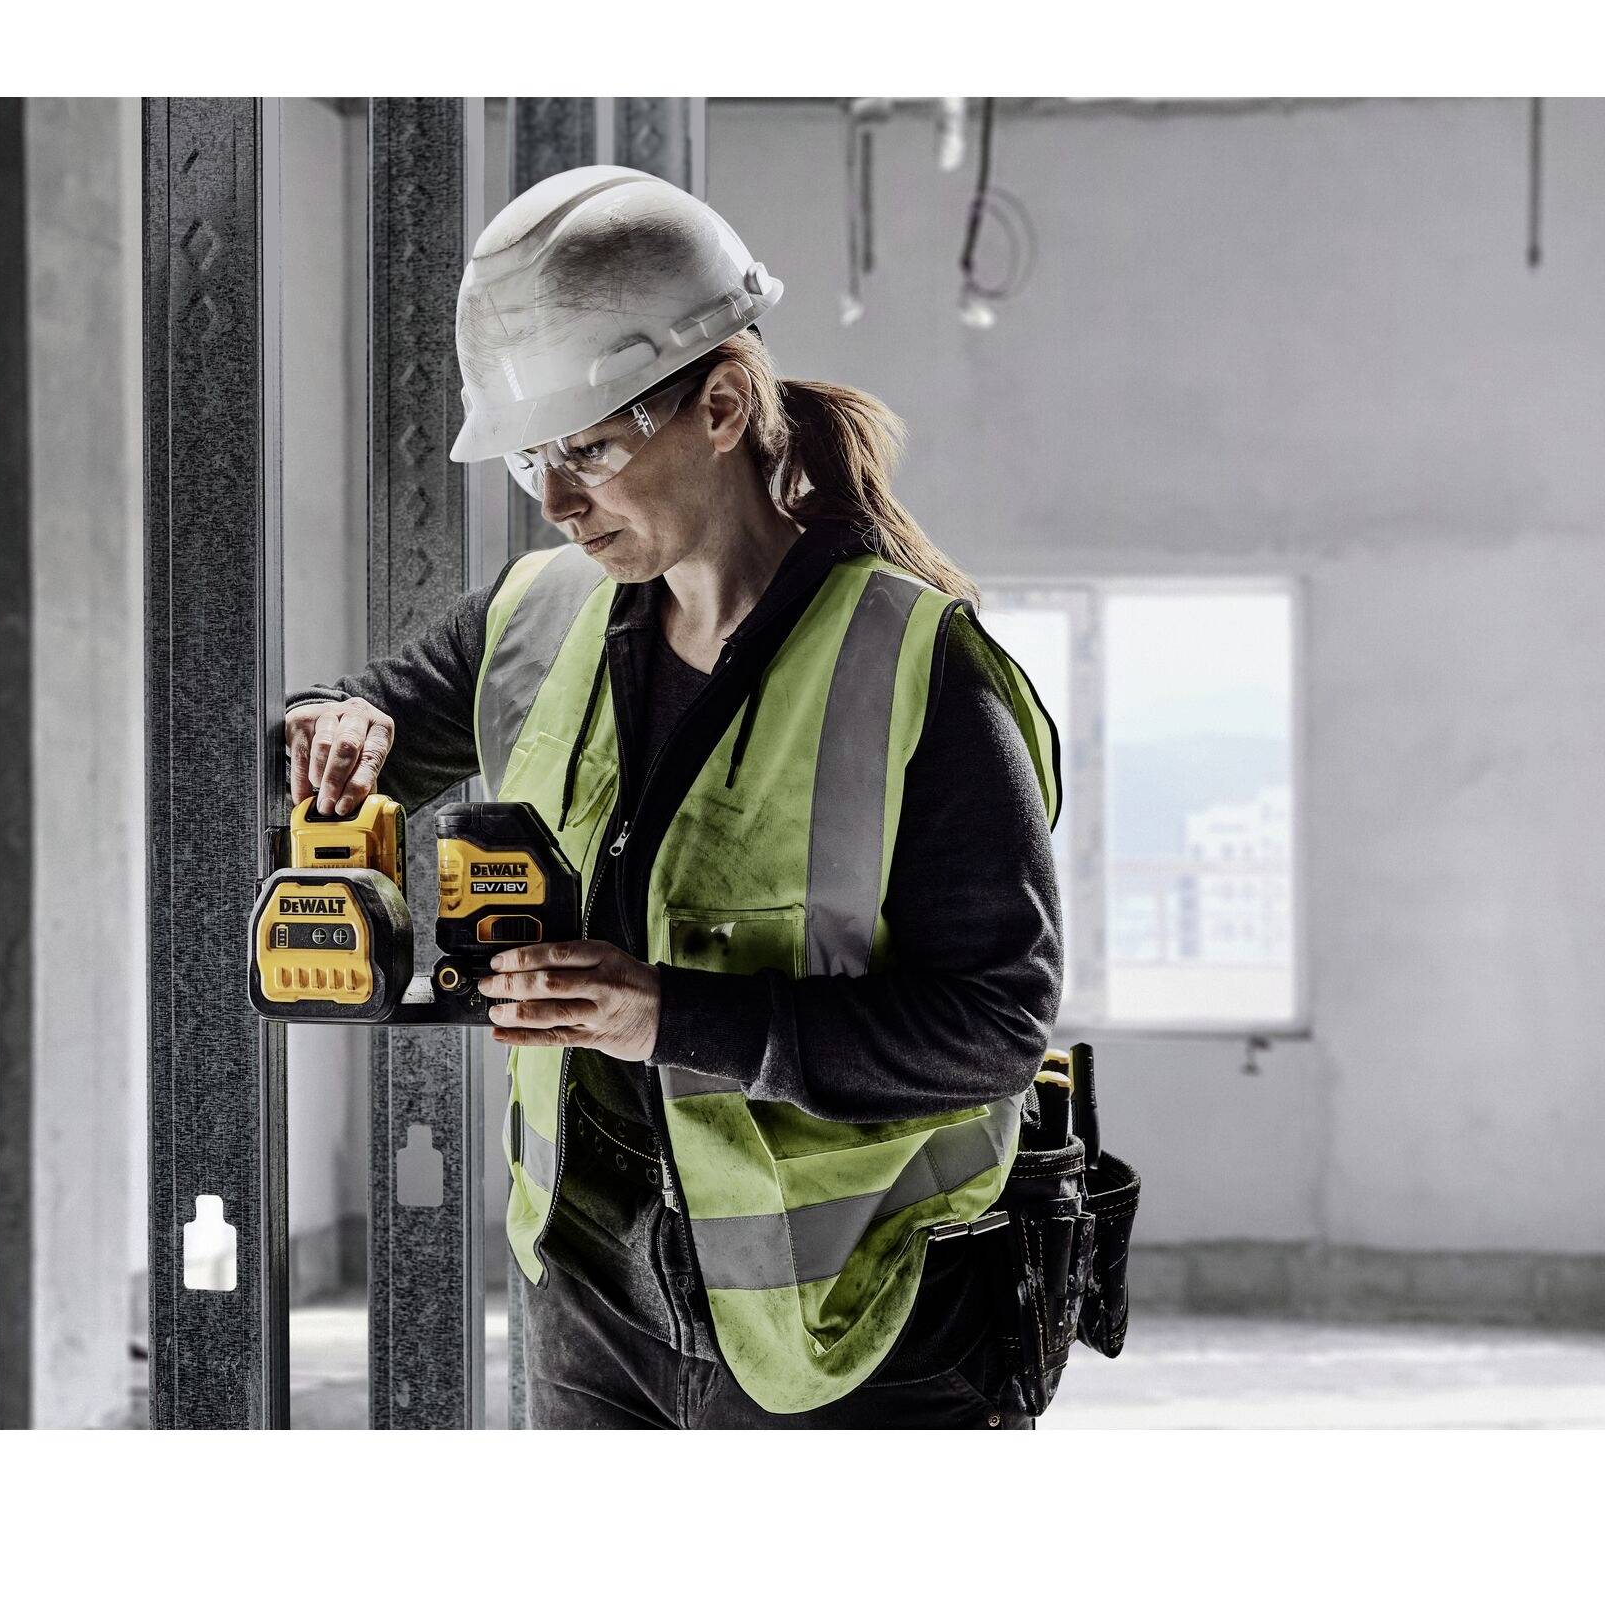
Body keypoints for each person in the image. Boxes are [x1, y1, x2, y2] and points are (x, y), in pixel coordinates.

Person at [286, 165, 1063, 1429]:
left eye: (588, 449)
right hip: (591, 1297)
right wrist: (328, 720)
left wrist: (672, 1016)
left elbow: (992, 1028)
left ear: (718, 406)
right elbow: (339, 730)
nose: (555, 501)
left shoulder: (916, 665)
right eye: (533, 457)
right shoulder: (534, 618)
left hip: (855, 1319)